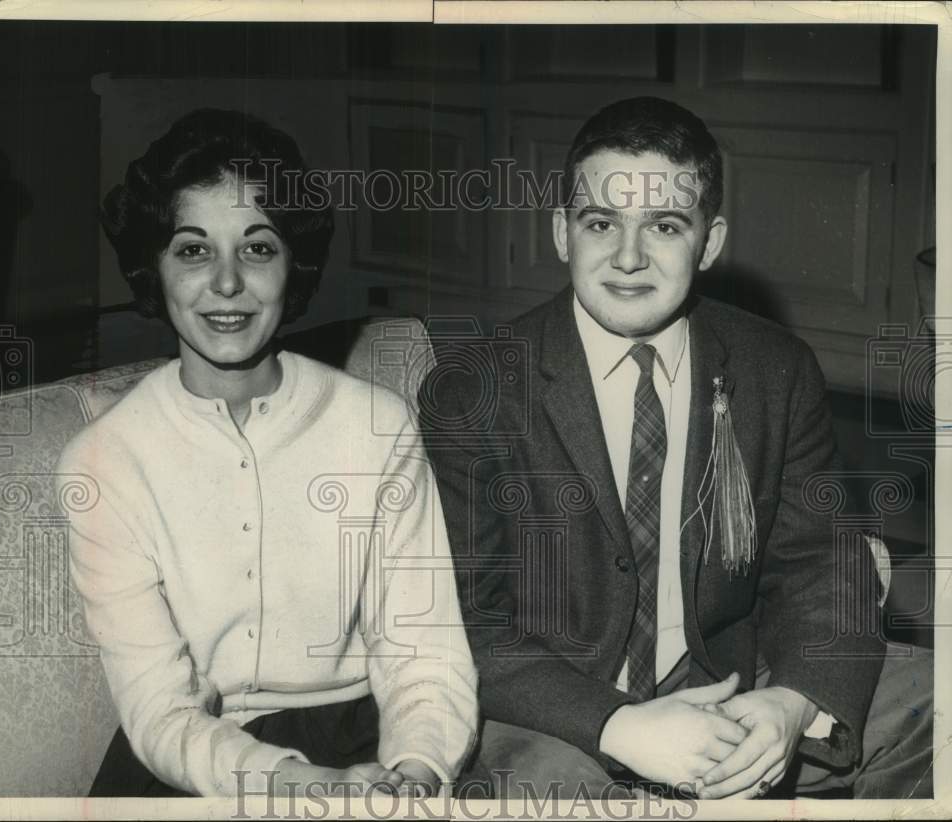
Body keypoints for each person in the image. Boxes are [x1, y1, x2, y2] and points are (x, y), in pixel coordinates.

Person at [420, 96, 932, 800]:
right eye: (601, 223)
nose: (628, 259)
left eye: (664, 225)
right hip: (560, 711)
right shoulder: (473, 387)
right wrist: (619, 726)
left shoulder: (774, 368)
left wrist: (791, 704)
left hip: (731, 679)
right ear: (562, 234)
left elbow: (822, 564)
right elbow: (460, 620)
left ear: (710, 242)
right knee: (557, 794)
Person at [57, 108, 478, 799]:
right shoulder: (102, 462)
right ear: (153, 266)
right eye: (193, 250)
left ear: (293, 264)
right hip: (194, 760)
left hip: (371, 740)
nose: (226, 285)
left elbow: (424, 652)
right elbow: (159, 710)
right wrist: (301, 784)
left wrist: (415, 770)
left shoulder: (380, 424)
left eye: (257, 248)